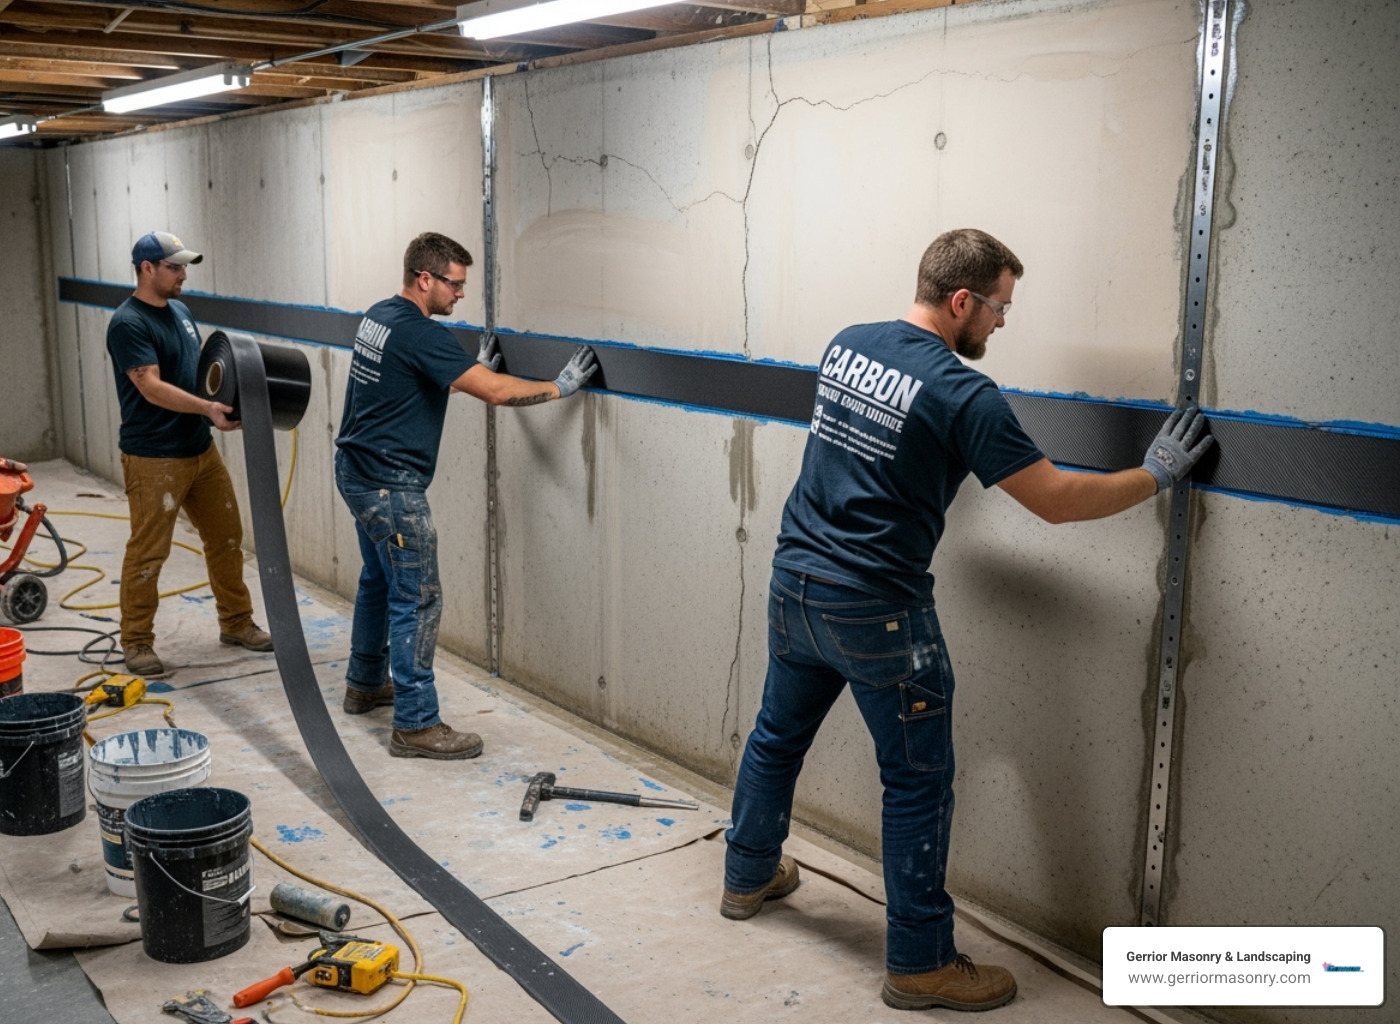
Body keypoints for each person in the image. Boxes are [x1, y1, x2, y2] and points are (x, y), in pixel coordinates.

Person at [720, 229, 1212, 1012]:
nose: (1002, 323)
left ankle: (746, 875)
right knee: (916, 784)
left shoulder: (848, 344)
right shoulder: (963, 393)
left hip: (796, 583)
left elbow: (878, 449)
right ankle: (920, 964)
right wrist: (1154, 475)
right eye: (999, 308)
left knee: (776, 736)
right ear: (961, 301)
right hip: (879, 610)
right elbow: (1056, 501)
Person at [334, 231, 599, 760]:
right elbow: (496, 393)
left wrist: (461, 371)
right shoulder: (421, 334)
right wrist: (559, 387)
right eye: (454, 284)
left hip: (357, 474)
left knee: (378, 580)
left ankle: (365, 684)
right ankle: (415, 724)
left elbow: (407, 380)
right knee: (417, 598)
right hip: (392, 488)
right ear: (424, 279)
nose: (460, 294)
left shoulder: (379, 317)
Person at [105, 231, 274, 677]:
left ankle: (236, 622)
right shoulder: (128, 323)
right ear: (147, 269)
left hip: (199, 449)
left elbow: (197, 367)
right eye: (174, 267)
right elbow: (150, 385)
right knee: (148, 553)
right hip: (154, 457)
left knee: (227, 538)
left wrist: (229, 395)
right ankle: (137, 641)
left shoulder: (180, 311)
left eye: (184, 266)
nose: (183, 275)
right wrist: (206, 409)